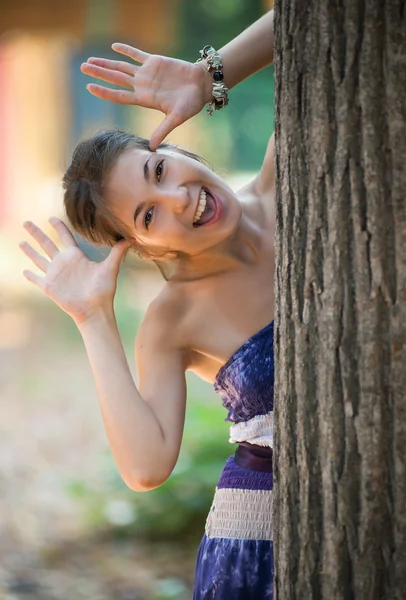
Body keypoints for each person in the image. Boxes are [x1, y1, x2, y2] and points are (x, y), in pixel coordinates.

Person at [20, 9, 275, 600]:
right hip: (265, 540)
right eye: (148, 214)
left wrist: (210, 74)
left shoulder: (289, 173)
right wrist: (92, 318)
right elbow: (146, 466)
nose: (179, 197)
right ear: (142, 246)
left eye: (159, 169)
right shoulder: (173, 319)